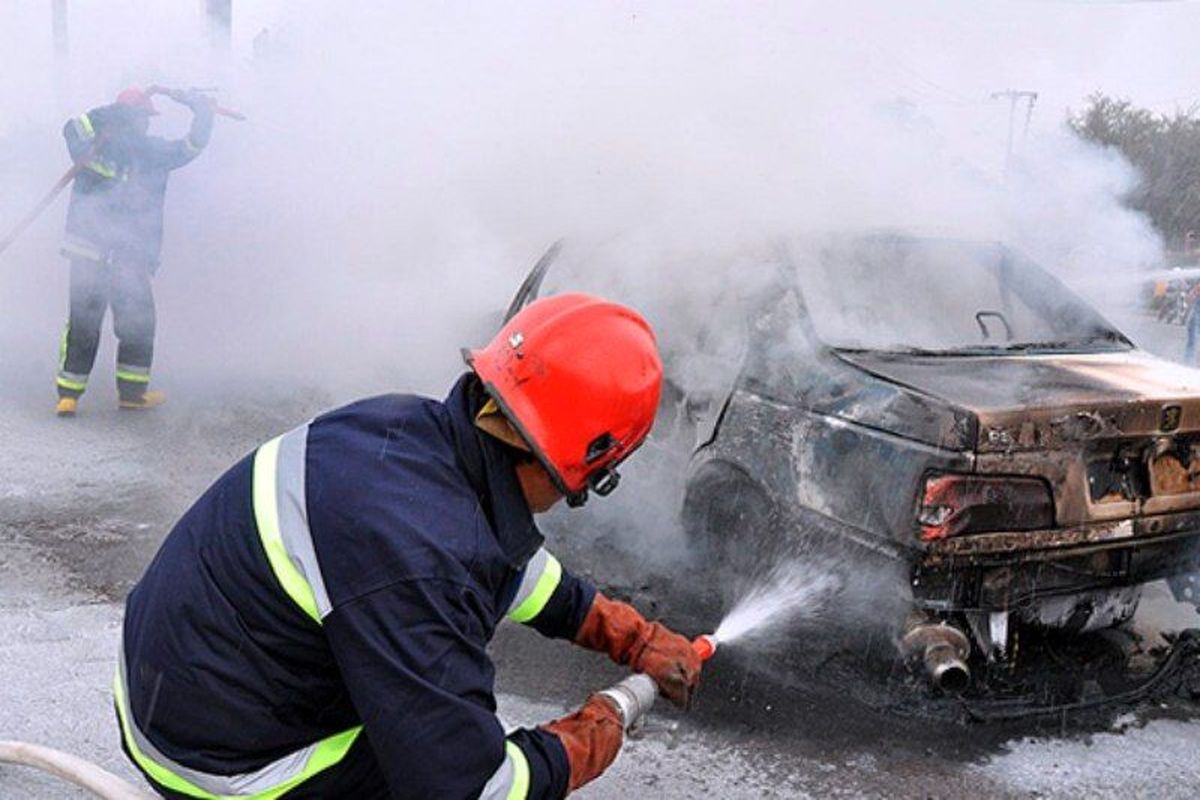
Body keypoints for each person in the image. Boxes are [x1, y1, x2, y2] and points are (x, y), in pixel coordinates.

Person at [116, 293, 703, 798]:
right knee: (432, 765)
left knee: (420, 718)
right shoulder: (422, 567)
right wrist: (590, 735)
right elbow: (471, 789)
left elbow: (502, 565)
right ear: (587, 465)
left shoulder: (409, 429)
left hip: (172, 683)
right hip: (219, 767)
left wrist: (628, 635)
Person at [55, 86, 215, 417]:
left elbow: (192, 145)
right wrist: (202, 114)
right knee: (132, 325)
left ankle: (71, 396)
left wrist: (201, 111)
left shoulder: (102, 149)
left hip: (109, 255)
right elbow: (75, 125)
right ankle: (123, 394)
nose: (144, 125)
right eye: (142, 118)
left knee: (95, 323)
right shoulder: (99, 146)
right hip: (118, 255)